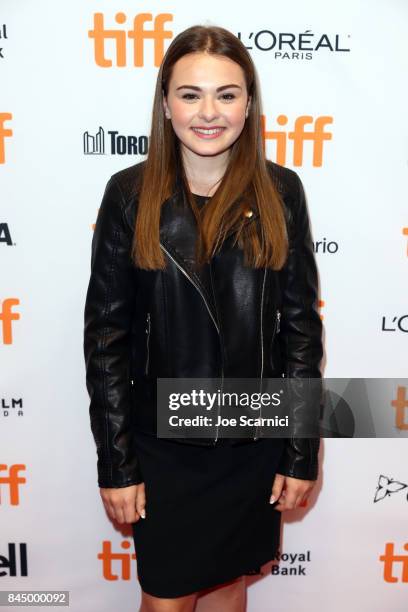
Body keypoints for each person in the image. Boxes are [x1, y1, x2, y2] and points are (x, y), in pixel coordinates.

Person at [83, 24, 323, 612]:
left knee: (230, 585)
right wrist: (117, 464)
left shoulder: (281, 191)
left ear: (249, 104)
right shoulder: (129, 195)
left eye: (227, 94)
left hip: (251, 440)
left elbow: (300, 334)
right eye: (190, 94)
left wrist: (299, 449)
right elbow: (106, 339)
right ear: (166, 104)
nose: (208, 112)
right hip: (164, 448)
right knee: (166, 599)